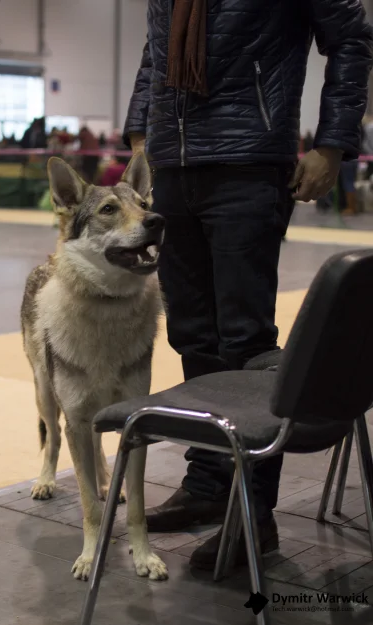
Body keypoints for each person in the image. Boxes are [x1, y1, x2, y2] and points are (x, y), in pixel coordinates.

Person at [123, 0, 373, 571]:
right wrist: (141, 131)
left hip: (251, 163)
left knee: (245, 343)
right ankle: (209, 480)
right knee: (192, 336)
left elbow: (352, 39)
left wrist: (331, 145)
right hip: (173, 166)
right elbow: (154, 51)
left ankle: (253, 513)